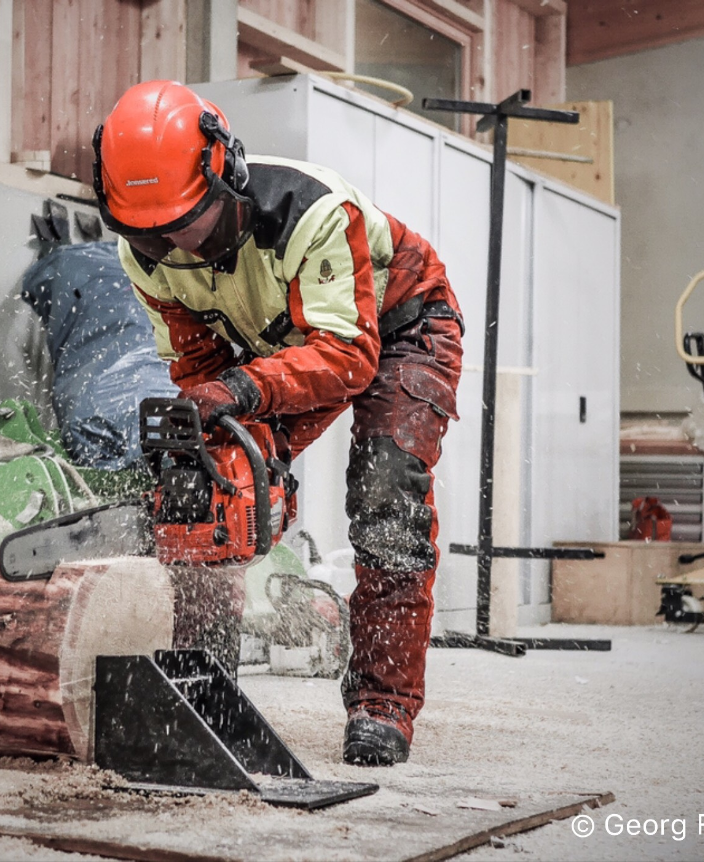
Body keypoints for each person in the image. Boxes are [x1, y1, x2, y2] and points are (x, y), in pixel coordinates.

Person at [93, 80, 463, 767]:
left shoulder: (311, 210)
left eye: (185, 222)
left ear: (223, 174)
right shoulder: (144, 249)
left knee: (387, 493)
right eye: (149, 233)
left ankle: (383, 705)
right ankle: (205, 680)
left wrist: (238, 389)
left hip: (398, 324)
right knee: (210, 481)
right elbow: (196, 358)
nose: (171, 244)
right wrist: (224, 437)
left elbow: (349, 356)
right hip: (282, 344)